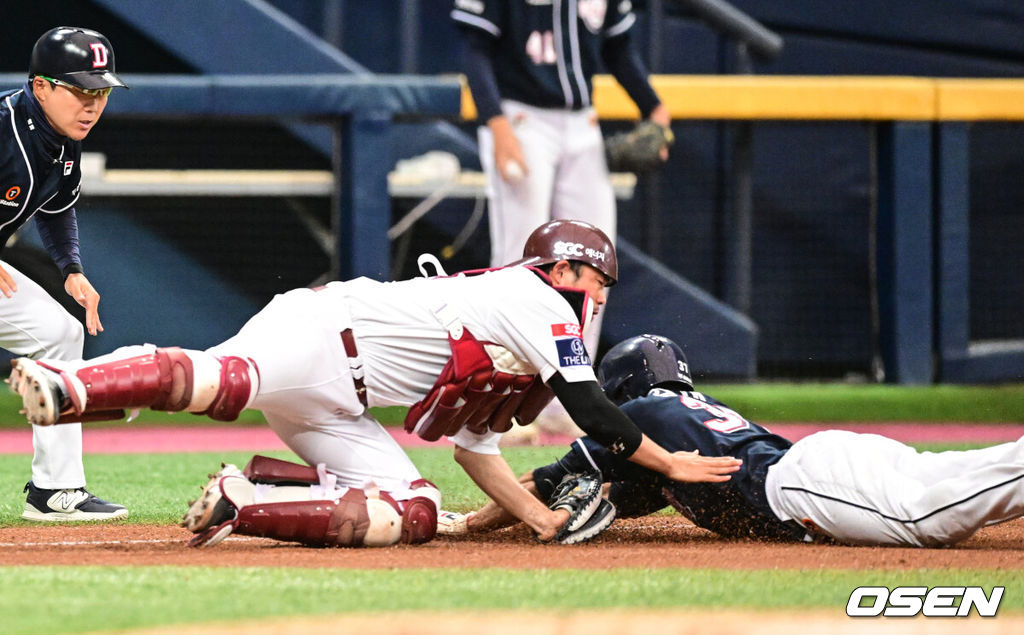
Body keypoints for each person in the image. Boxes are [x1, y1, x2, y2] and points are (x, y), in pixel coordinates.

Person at [9, 221, 741, 548]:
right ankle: (66, 381)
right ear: (570, 272)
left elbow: (474, 452)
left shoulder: (525, 325)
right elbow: (591, 408)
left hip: (339, 401)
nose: (593, 291)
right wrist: (671, 461)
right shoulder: (539, 301)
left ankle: (246, 502)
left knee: (415, 508)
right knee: (220, 380)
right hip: (324, 330)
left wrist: (539, 519)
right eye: (592, 276)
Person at [445, 334, 1024, 548]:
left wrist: (468, 524)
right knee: (951, 474)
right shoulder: (678, 423)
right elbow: (618, 494)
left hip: (802, 486)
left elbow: (540, 483)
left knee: (930, 517)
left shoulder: (643, 416)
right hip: (822, 462)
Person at [451, 0, 673, 437]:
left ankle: (569, 401)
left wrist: (654, 108)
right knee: (516, 260)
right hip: (520, 116)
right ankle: (496, 397)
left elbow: (617, 48)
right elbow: (473, 49)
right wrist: (495, 124)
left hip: (582, 123)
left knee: (595, 262)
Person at [0, 26, 129, 521]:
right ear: (41, 87)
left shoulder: (62, 139)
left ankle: (54, 492)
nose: (92, 104)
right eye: (80, 89)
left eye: (99, 91)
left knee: (59, 333)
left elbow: (55, 208)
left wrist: (71, 268)